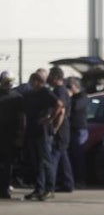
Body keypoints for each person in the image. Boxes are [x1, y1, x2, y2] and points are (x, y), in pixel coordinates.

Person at [21, 70, 63, 201]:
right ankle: (39, 188)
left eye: (34, 81)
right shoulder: (31, 94)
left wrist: (50, 119)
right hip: (33, 130)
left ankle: (49, 189)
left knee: (45, 161)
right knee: (37, 161)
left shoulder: (45, 92)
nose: (32, 83)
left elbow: (59, 105)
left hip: (43, 131)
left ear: (39, 82)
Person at [47, 66, 74, 193]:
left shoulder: (59, 91)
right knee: (63, 156)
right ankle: (68, 183)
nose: (49, 78)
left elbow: (61, 109)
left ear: (56, 77)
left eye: (51, 75)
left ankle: (49, 186)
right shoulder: (61, 90)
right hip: (64, 128)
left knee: (54, 156)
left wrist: (52, 122)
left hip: (60, 128)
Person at [0, 71, 26, 198]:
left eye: (10, 82)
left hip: (11, 135)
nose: (8, 84)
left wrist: (21, 135)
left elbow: (22, 117)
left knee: (8, 164)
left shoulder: (17, 97)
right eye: (6, 81)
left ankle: (4, 189)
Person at [66, 77, 90, 188]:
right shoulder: (73, 97)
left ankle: (81, 180)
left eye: (70, 87)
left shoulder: (83, 97)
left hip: (80, 129)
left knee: (78, 155)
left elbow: (75, 107)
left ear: (75, 87)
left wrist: (69, 97)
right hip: (71, 129)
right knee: (70, 155)